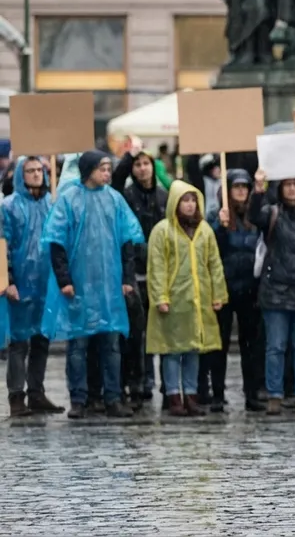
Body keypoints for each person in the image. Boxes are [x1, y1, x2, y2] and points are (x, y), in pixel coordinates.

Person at [41, 150, 145, 419]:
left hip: (110, 288)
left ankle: (112, 397)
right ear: (89, 171)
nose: (108, 174)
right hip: (80, 287)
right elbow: (57, 244)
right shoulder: (68, 201)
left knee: (111, 345)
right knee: (78, 346)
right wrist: (64, 280)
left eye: (110, 169)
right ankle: (79, 399)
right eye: (103, 169)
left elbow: (127, 243)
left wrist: (126, 279)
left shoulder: (115, 200)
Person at [147, 182, 228, 417]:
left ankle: (191, 396)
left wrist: (218, 294)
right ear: (175, 203)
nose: (190, 205)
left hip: (198, 302)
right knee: (172, 351)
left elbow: (214, 264)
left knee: (193, 350)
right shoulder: (162, 231)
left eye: (193, 200)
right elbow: (157, 267)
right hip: (174, 301)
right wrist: (160, 296)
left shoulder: (205, 230)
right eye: (185, 200)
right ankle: (173, 396)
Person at [250, 169, 295, 415]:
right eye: (286, 185)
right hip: (275, 291)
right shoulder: (272, 213)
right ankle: (275, 394)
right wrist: (258, 190)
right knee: (276, 347)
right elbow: (254, 216)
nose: (291, 189)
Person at [3, 157, 63, 415]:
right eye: (30, 171)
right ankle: (17, 397)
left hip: (45, 283)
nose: (37, 174)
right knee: (19, 342)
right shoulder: (8, 206)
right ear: (21, 175)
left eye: (40, 170)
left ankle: (36, 393)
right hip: (21, 283)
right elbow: (2, 246)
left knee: (42, 339)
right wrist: (8, 281)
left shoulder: (51, 204)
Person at [111, 141, 169, 410]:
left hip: (159, 272)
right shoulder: (125, 196)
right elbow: (115, 180)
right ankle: (135, 382)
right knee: (135, 333)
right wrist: (128, 156)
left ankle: (154, 382)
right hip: (133, 271)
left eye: (146, 163)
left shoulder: (163, 196)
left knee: (159, 332)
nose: (143, 168)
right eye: (138, 164)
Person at [205, 169, 266, 412]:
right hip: (223, 287)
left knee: (251, 345)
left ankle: (251, 393)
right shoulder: (216, 214)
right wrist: (220, 226)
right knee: (218, 345)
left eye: (245, 187)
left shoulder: (255, 216)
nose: (241, 191)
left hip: (250, 288)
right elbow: (210, 247)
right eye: (236, 187)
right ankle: (217, 394)